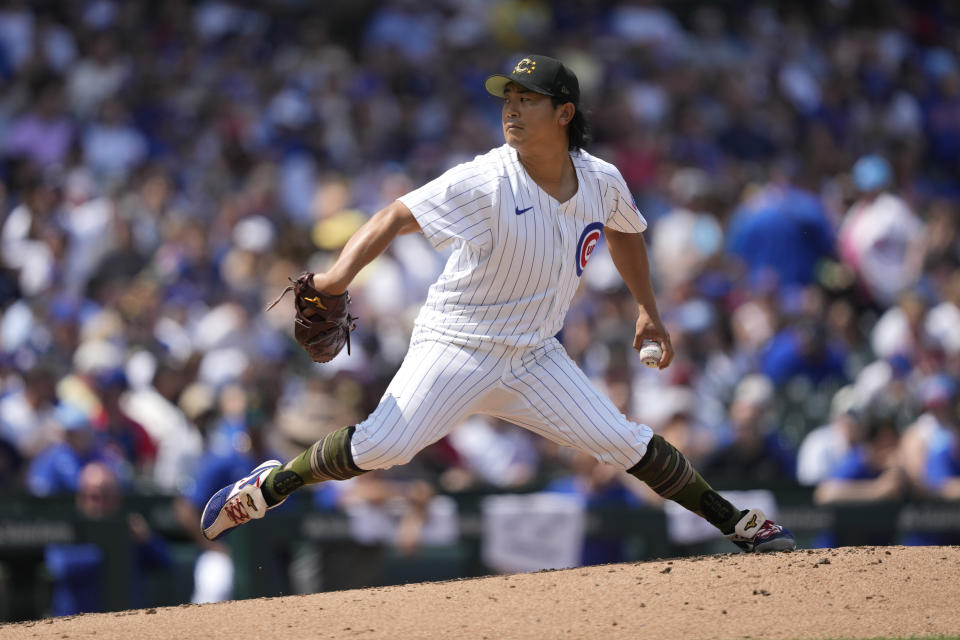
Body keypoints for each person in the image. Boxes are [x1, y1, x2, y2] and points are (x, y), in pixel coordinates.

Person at [200, 55, 795, 554]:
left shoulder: (602, 179)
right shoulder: (486, 179)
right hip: (456, 344)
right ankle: (272, 484)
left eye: (528, 98)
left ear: (564, 112)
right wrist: (334, 276)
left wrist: (648, 310)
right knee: (384, 446)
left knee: (623, 440)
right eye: (507, 97)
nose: (511, 107)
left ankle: (734, 522)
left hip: (536, 355)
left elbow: (625, 230)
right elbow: (391, 216)